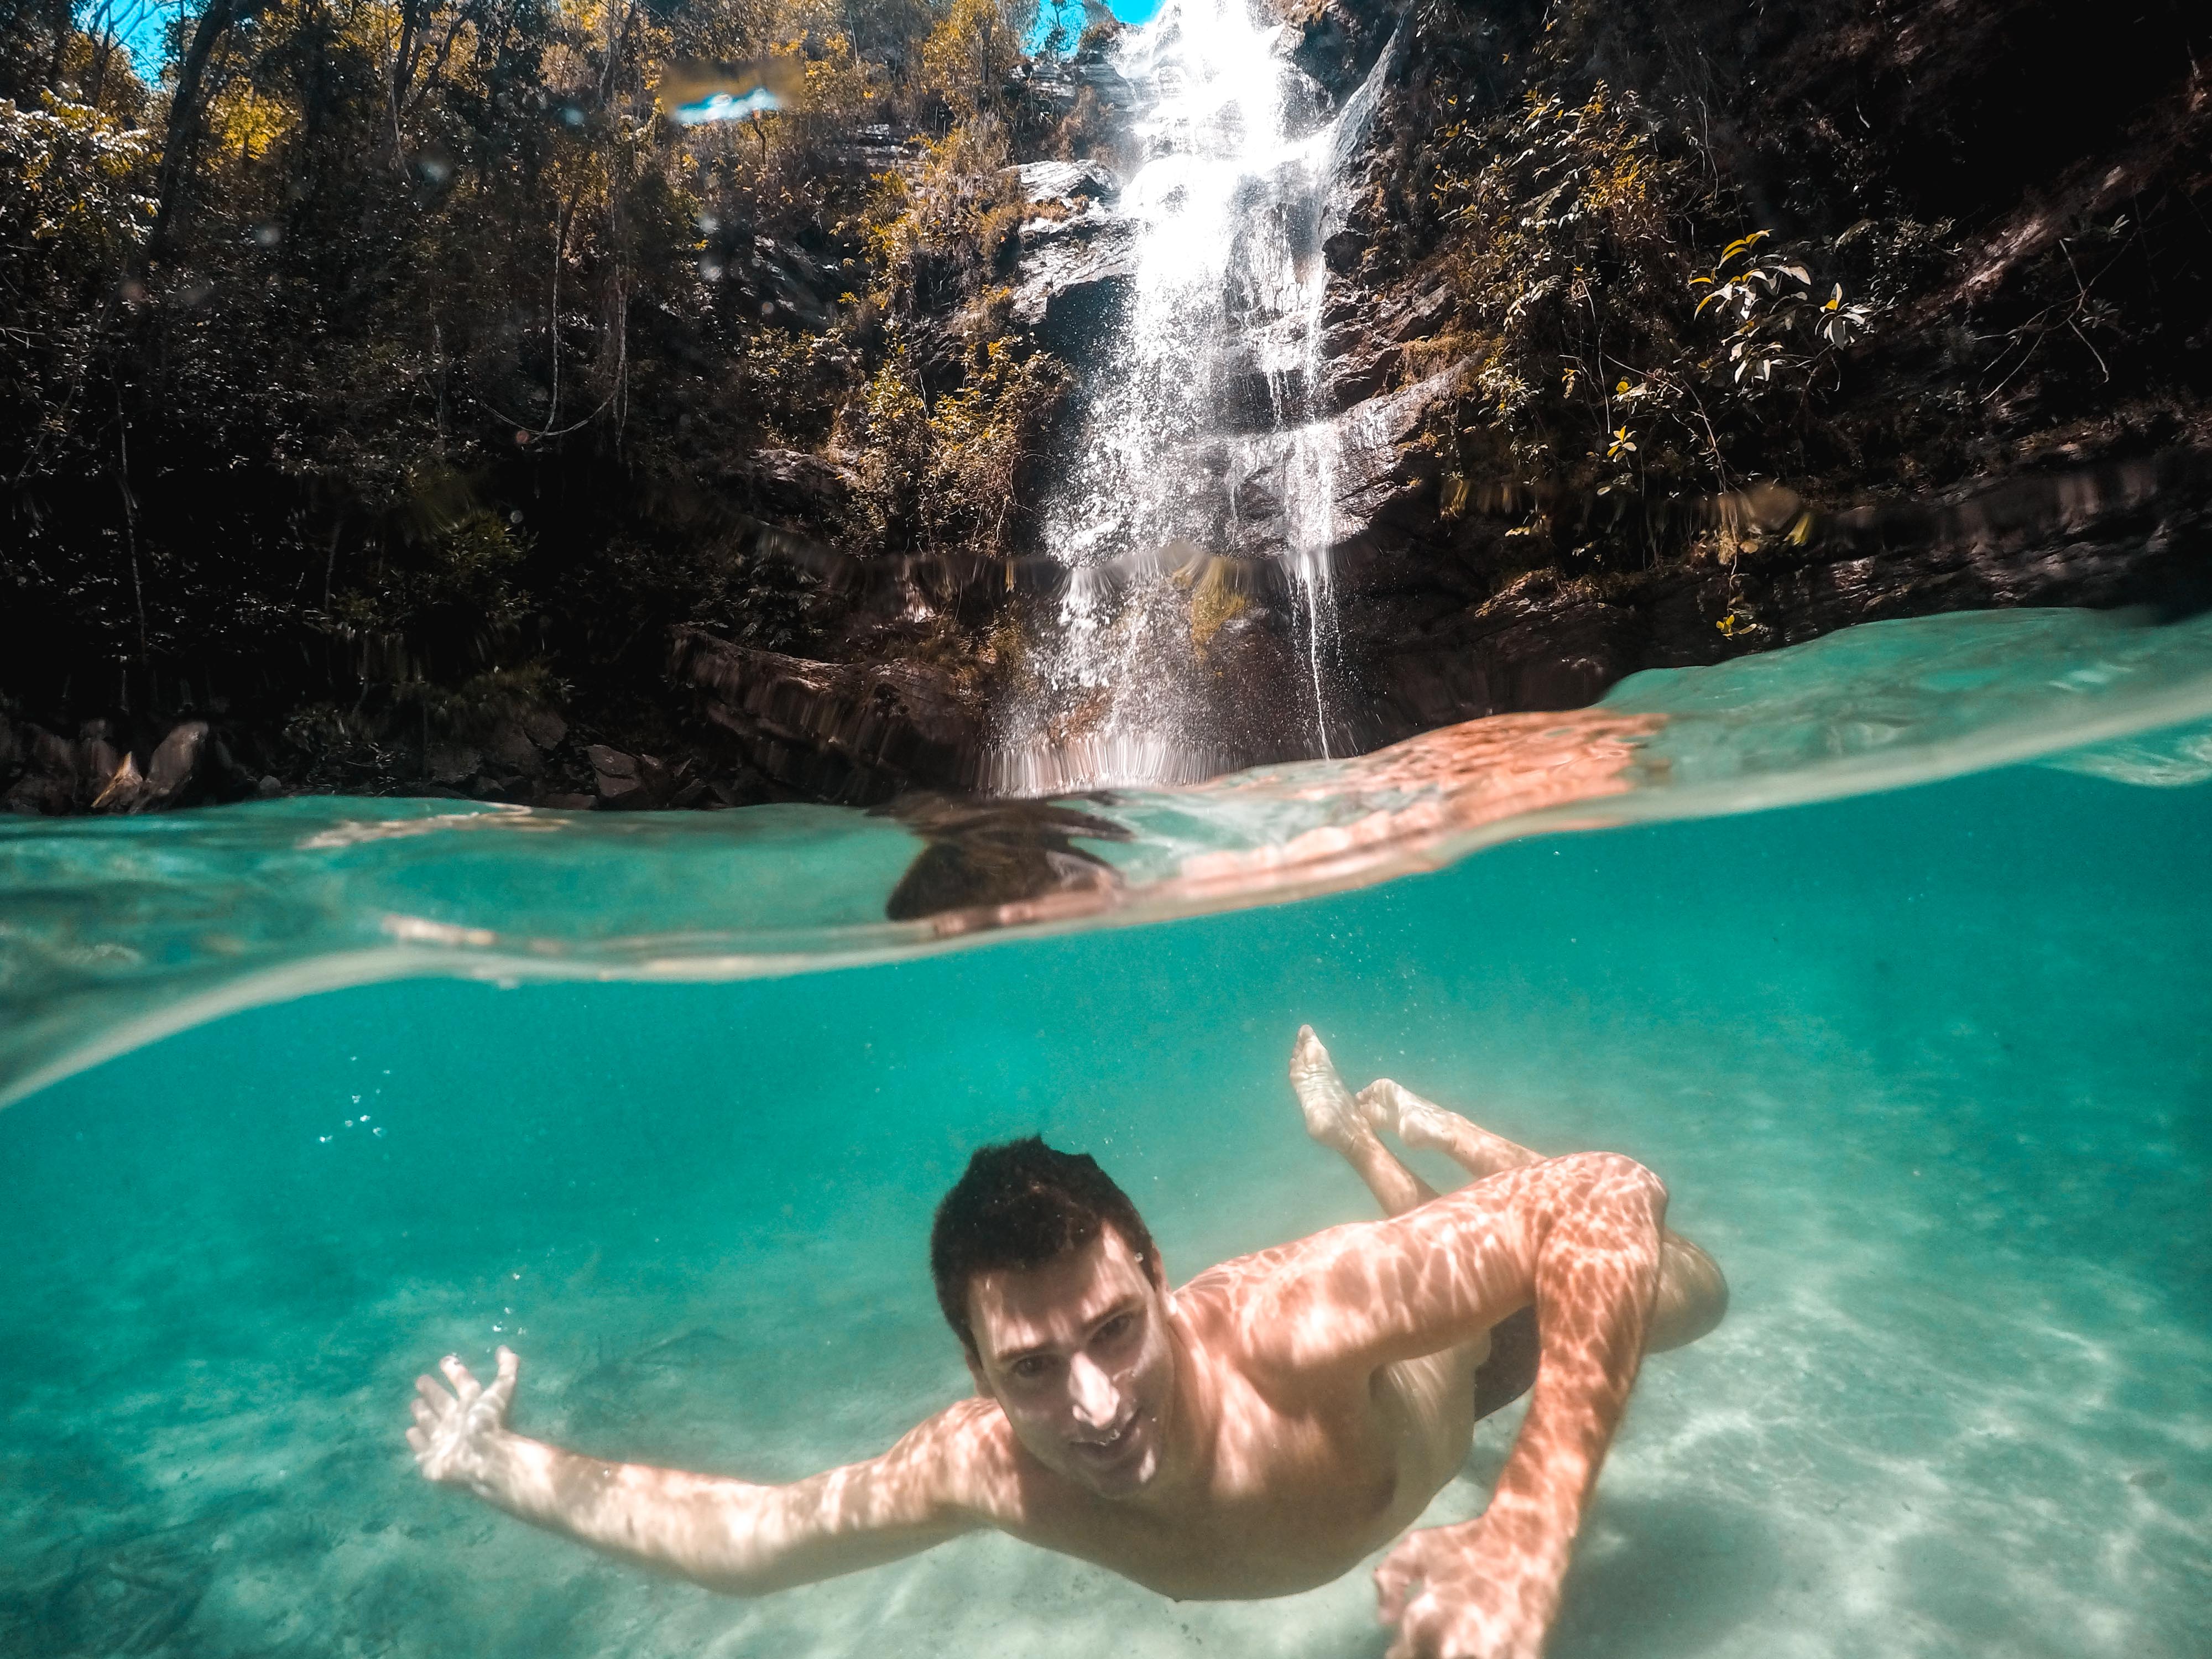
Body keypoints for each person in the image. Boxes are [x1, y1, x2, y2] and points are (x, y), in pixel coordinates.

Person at [406, 1028, 1727, 1659]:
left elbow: (1604, 1193)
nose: (1092, 1406)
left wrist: (1528, 1530)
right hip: (1410, 1413)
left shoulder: (1285, 1328)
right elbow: (753, 1539)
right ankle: (1373, 1150)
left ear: (1158, 1282)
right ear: (975, 1377)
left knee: (1690, 1292)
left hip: (1475, 1358)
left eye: (1112, 1332)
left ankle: (1408, 1126)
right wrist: (492, 1464)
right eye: (1028, 1370)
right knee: (1462, 1246)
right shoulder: (984, 1466)